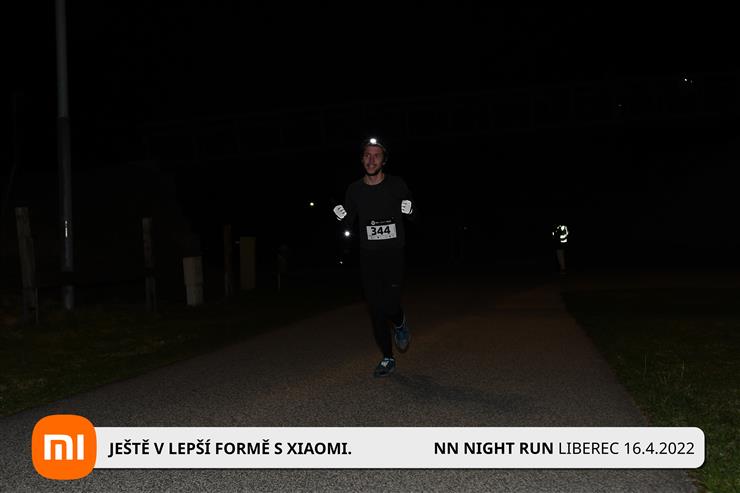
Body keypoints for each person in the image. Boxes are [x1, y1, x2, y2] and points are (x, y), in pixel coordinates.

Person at [333, 137, 416, 377]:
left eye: (376, 155)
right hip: (368, 257)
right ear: (362, 159)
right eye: (367, 155)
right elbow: (348, 222)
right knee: (376, 309)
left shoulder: (397, 185)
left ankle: (400, 323)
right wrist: (340, 217)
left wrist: (411, 211)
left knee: (390, 305)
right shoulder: (354, 189)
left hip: (393, 255)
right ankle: (388, 358)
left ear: (384, 160)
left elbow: (415, 216)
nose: (371, 160)